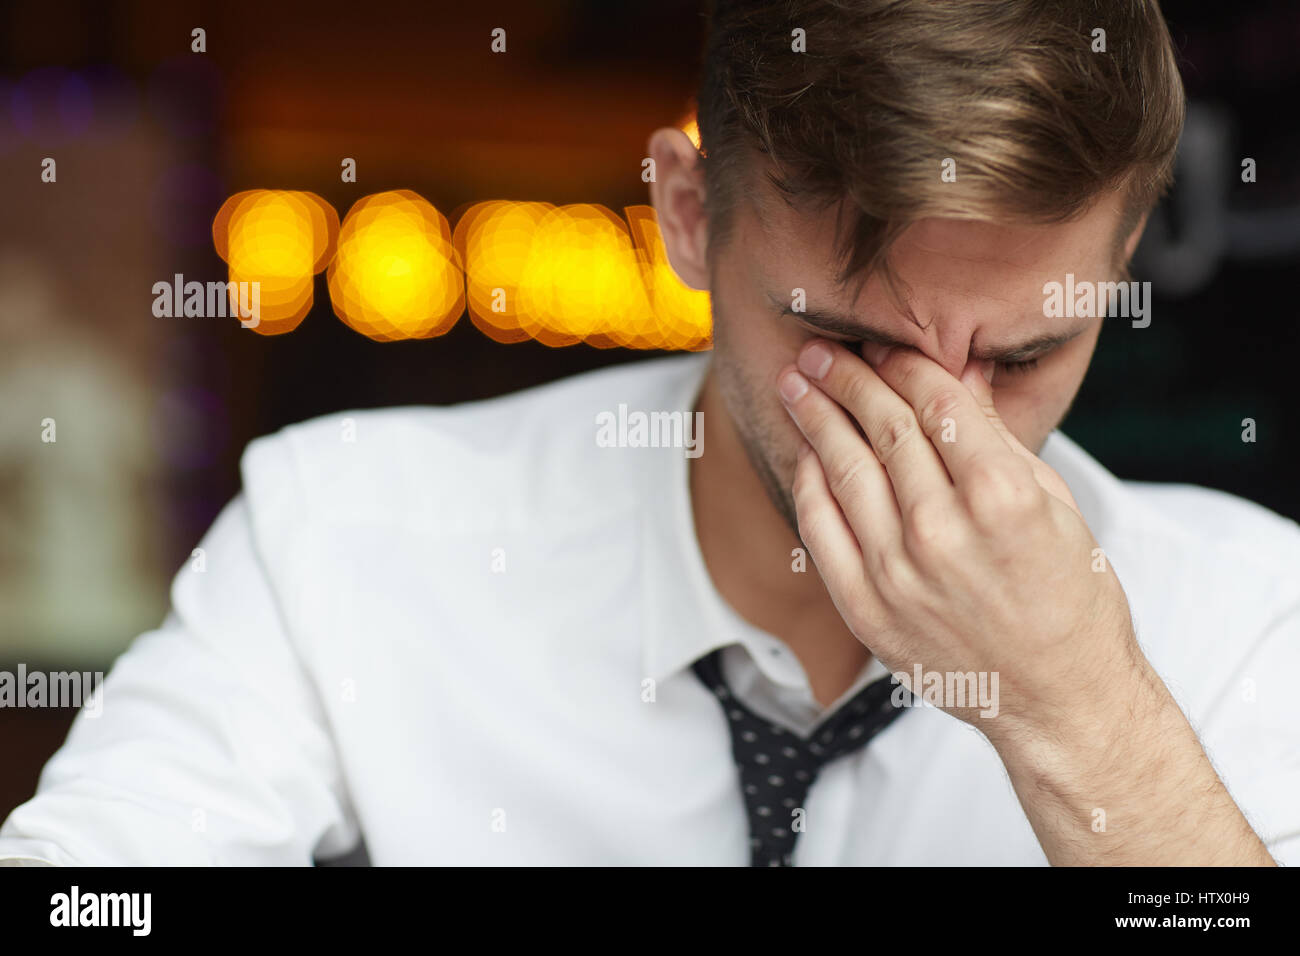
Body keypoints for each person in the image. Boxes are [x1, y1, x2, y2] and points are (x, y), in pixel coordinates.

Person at [3, 0, 1297, 866]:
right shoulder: (346, 537)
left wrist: (1079, 716)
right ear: (687, 211)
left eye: (1021, 354)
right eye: (847, 341)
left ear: (1123, 260)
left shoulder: (1248, 626)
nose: (939, 426)